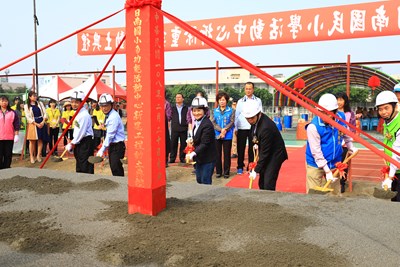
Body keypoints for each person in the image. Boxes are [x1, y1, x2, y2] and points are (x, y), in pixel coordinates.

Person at [305, 93, 357, 194]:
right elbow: (316, 151)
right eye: (321, 112)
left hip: (335, 162)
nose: (325, 116)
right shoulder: (313, 127)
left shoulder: (340, 117)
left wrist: (351, 146)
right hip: (316, 163)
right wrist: (327, 171)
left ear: (335, 112)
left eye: (328, 113)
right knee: (313, 194)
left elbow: (345, 132)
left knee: (334, 194)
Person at [242, 99, 288, 190]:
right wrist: (252, 165)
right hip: (264, 151)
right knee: (262, 181)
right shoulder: (255, 121)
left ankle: (269, 201)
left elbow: (265, 153)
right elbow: (253, 143)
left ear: (258, 113)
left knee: (268, 182)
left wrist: (256, 170)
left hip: (275, 154)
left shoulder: (266, 127)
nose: (250, 120)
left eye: (252, 118)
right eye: (247, 118)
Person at [375, 90, 400, 202]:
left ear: (394, 106)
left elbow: (396, 152)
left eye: (386, 108)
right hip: (394, 170)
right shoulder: (388, 121)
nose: (383, 112)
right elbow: (388, 143)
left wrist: (390, 177)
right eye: (380, 109)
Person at [186, 96, 216, 185]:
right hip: (199, 158)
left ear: (204, 111)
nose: (196, 113)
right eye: (194, 110)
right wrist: (191, 140)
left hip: (208, 159)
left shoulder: (207, 124)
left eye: (199, 110)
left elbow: (205, 143)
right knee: (199, 180)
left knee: (205, 181)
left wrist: (193, 153)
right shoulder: (197, 122)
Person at [234, 81, 262, 175]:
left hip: (253, 127)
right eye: (246, 89)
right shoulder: (240, 101)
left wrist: (259, 127)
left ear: (253, 89)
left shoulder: (258, 100)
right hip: (242, 127)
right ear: (244, 89)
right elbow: (237, 115)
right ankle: (240, 166)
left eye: (250, 89)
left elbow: (260, 114)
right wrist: (236, 128)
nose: (248, 90)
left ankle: (251, 167)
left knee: (252, 149)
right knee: (240, 148)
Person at [96, 94, 126, 176]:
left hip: (117, 146)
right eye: (102, 106)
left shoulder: (113, 117)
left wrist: (102, 149)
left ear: (111, 105)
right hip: (113, 145)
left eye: (106, 105)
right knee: (114, 167)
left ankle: (121, 186)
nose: (104, 108)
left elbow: (110, 135)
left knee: (116, 168)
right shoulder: (109, 115)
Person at [65, 91, 94, 174]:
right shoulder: (77, 113)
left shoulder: (84, 115)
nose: (74, 104)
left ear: (82, 102)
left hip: (85, 142)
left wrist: (72, 143)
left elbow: (81, 132)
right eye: (72, 102)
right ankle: (80, 180)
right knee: (79, 162)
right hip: (79, 141)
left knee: (85, 164)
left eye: (76, 102)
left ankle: (87, 183)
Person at [211, 92, 235, 178]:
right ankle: (218, 171)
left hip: (227, 135)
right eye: (220, 100)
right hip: (217, 135)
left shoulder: (231, 110)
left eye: (223, 100)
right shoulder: (214, 111)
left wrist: (225, 130)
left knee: (227, 154)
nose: (222, 101)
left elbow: (232, 122)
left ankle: (226, 172)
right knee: (217, 154)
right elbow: (213, 122)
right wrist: (221, 130)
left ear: (226, 101)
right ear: (218, 101)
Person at [336, 92, 356, 193]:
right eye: (337, 99)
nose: (339, 102)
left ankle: (342, 183)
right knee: (334, 163)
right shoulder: (332, 112)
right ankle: (333, 181)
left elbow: (352, 129)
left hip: (345, 143)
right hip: (334, 143)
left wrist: (348, 142)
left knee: (344, 164)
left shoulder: (350, 113)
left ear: (345, 101)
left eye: (341, 100)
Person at [24, 91, 48, 164]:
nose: (35, 97)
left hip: (41, 122)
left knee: (40, 139)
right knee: (32, 140)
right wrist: (36, 123)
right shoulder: (26, 106)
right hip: (33, 124)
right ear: (30, 97)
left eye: (35, 96)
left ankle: (38, 155)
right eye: (33, 96)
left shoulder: (40, 104)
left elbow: (45, 113)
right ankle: (31, 156)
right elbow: (28, 117)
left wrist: (43, 122)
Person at [0, 95, 20, 169]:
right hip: (0, 137)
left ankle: (7, 169)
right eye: (2, 101)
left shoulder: (12, 112)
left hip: (9, 137)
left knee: (8, 154)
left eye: (6, 101)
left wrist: (16, 135)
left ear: (8, 102)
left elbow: (16, 124)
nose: (4, 103)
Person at [169, 93, 189, 163]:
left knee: (183, 144)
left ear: (183, 99)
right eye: (176, 97)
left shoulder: (186, 108)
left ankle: (182, 158)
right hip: (175, 128)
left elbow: (188, 117)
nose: (177, 98)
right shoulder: (172, 108)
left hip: (184, 128)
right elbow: (169, 117)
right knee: (173, 144)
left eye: (179, 97)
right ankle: (172, 158)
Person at [165, 97, 172, 167]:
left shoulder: (166, 104)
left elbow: (168, 116)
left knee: (165, 142)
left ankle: (165, 160)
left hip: (164, 126)